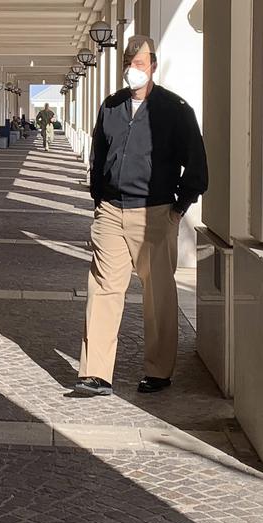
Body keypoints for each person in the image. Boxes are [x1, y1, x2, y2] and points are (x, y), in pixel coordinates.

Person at [73, 36, 208, 397]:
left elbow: (197, 166)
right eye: (128, 62)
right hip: (111, 212)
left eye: (140, 63)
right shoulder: (111, 106)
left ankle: (159, 370)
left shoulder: (175, 109)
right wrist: (99, 200)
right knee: (102, 290)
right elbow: (98, 157)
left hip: (155, 213)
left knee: (159, 295)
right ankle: (95, 374)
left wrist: (178, 209)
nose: (133, 69)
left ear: (153, 65)